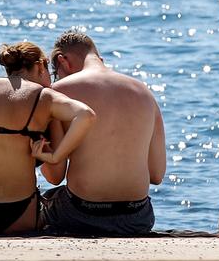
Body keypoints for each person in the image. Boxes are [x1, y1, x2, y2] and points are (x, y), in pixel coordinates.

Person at [0, 41, 96, 236]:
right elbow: (86, 115)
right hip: (21, 215)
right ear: (40, 66)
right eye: (50, 73)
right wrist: (54, 155)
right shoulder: (45, 98)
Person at [39, 30, 166, 236]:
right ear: (100, 59)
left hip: (81, 214)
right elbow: (157, 174)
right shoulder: (144, 92)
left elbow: (54, 175)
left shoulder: (59, 92)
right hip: (138, 217)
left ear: (63, 61)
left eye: (56, 72)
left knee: (44, 201)